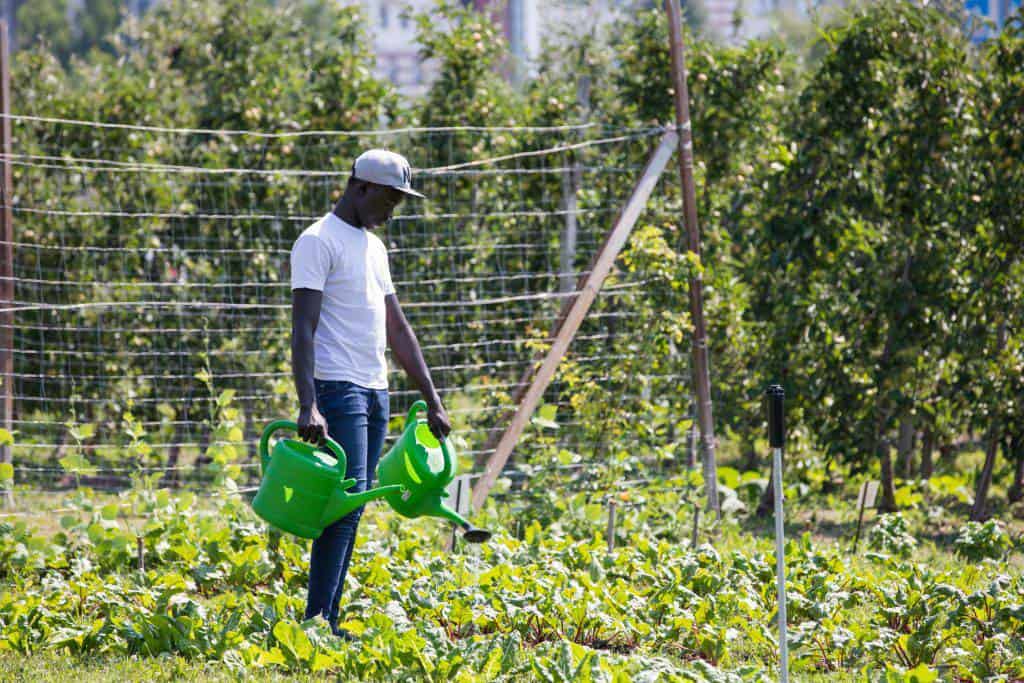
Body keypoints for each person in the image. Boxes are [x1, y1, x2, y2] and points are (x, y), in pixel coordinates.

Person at [289, 149, 451, 638]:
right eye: (389, 199)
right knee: (343, 503)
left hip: (375, 388)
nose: (393, 210)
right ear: (360, 188)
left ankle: (327, 620)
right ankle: (318, 622)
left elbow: (397, 328)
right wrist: (307, 402)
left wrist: (432, 395)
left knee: (355, 502)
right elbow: (303, 327)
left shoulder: (374, 248)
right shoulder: (317, 242)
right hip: (339, 388)